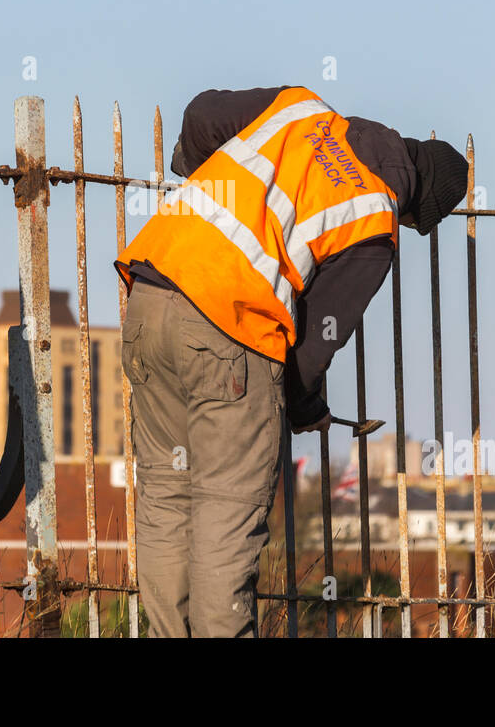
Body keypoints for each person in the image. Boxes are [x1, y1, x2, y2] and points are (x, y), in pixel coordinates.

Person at [114, 85, 467, 637]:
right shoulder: (374, 215)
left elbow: (201, 114)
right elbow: (311, 346)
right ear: (419, 203)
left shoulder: (301, 110)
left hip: (150, 289)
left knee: (165, 502)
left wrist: (208, 182)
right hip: (227, 325)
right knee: (225, 516)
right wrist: (304, 409)